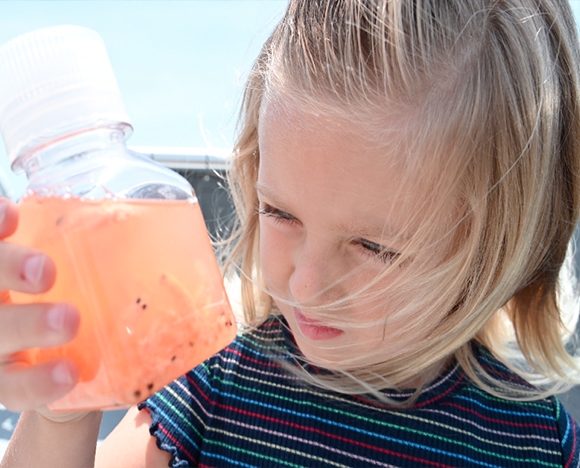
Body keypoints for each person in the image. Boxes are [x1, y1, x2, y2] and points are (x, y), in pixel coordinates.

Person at [1, 0, 580, 466]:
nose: (304, 284)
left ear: (500, 249)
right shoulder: (217, 383)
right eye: (279, 213)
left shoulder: (538, 441)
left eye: (373, 247)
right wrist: (62, 413)